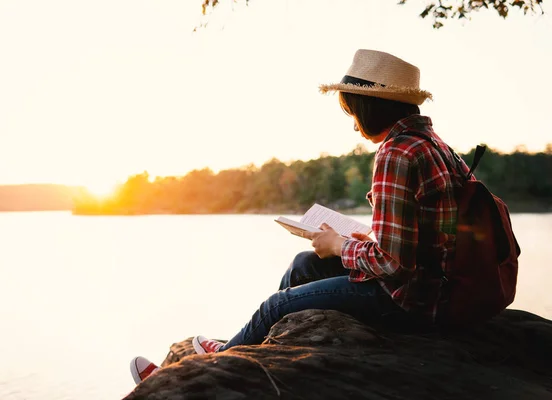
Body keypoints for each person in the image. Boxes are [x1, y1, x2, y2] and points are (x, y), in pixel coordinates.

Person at [129, 49, 473, 385]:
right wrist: (359, 241)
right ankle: (263, 354)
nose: (354, 126)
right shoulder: (434, 144)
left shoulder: (397, 152)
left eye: (352, 113)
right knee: (303, 264)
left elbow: (394, 266)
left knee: (276, 305)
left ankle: (213, 371)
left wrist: (339, 244)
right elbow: (420, 238)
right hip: (435, 285)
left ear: (371, 107)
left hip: (410, 298)